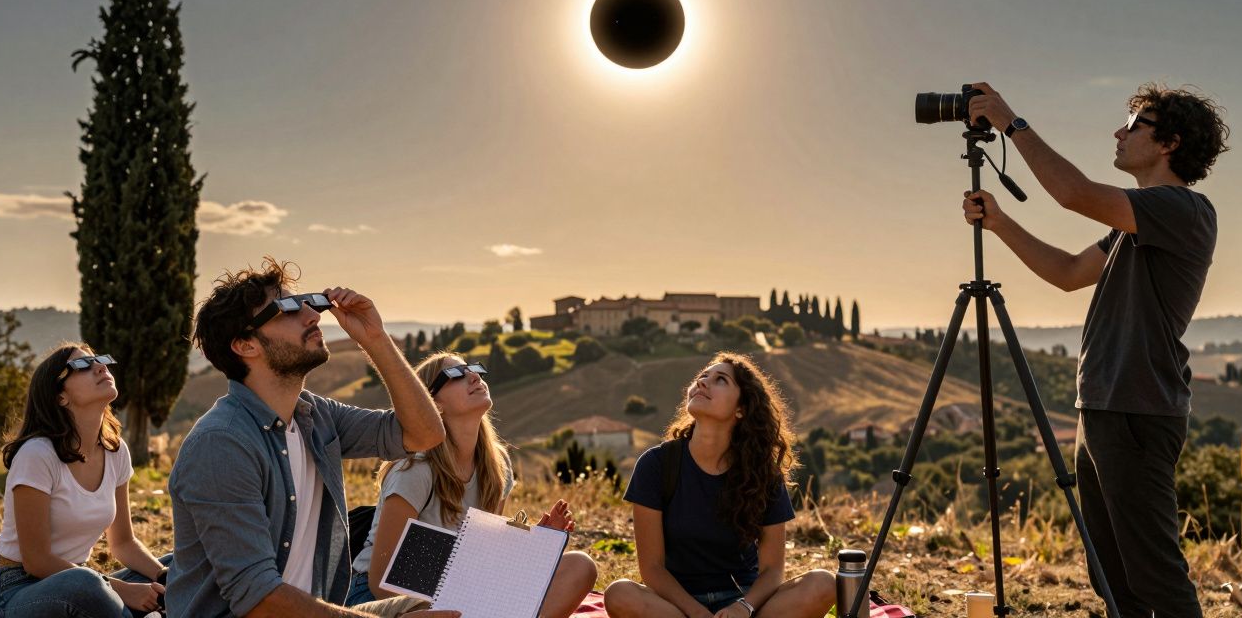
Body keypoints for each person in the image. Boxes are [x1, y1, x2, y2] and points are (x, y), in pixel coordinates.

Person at [961, 82, 1229, 617]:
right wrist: (999, 223)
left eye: (1133, 125)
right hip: (1104, 408)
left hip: (1137, 408)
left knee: (1156, 577)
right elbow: (1066, 273)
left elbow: (1075, 194)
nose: (1118, 132)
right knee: (1113, 579)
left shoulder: (1183, 210)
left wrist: (1012, 122)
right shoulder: (1132, 227)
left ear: (1169, 142)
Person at [167, 258, 455, 618]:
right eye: (288, 308)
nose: (313, 316)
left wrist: (375, 338)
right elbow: (257, 598)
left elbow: (424, 433)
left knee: (451, 606)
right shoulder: (221, 444)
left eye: (308, 303)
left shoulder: (313, 416)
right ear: (245, 345)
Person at [347, 352, 597, 617]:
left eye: (473, 369)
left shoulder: (497, 464)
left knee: (580, 567)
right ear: (432, 403)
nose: (474, 377)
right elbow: (380, 580)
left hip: (460, 587)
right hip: (386, 598)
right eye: (456, 375)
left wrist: (535, 546)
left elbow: (483, 558)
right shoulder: (415, 469)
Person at [604, 352, 835, 618]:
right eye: (702, 376)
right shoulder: (656, 464)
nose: (702, 383)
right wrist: (697, 613)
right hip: (677, 606)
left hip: (743, 601)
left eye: (720, 380)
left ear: (741, 409)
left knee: (823, 583)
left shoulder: (762, 473)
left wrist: (743, 607)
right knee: (619, 594)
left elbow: (772, 571)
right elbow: (653, 569)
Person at [0, 344, 170, 618]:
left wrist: (165, 577)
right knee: (87, 584)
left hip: (85, 585)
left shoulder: (115, 451)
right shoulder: (37, 454)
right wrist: (121, 590)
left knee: (184, 565)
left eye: (100, 360)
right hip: (19, 591)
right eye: (82, 366)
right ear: (60, 396)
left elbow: (123, 543)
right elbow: (37, 561)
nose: (100, 367)